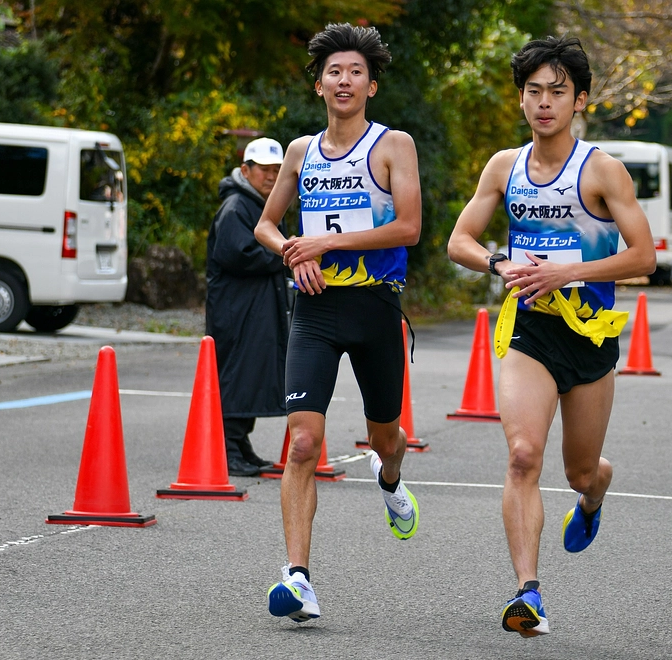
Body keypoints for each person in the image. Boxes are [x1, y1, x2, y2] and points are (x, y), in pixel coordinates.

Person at [446, 36, 655, 637]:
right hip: (529, 332)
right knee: (521, 456)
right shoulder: (503, 167)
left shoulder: (602, 171)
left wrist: (571, 271)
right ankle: (527, 594)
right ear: (521, 99)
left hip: (588, 337)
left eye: (557, 92)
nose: (544, 103)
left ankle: (594, 496)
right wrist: (499, 264)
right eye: (534, 91)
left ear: (579, 100)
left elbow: (643, 256)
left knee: (581, 471)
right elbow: (459, 240)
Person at [253, 22, 422, 622]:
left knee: (386, 440)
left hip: (376, 307)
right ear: (319, 84)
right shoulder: (300, 152)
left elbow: (409, 227)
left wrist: (327, 243)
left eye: (355, 72)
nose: (343, 81)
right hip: (316, 310)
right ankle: (298, 578)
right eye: (333, 72)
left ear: (371, 85)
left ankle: (390, 481)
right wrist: (292, 251)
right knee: (301, 440)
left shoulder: (392, 145)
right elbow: (266, 226)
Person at [206, 137, 290, 477]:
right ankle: (227, 449)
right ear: (245, 170)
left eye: (276, 171)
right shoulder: (236, 207)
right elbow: (240, 255)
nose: (270, 177)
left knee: (252, 372)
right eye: (264, 171)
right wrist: (285, 255)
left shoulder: (258, 205)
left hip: (254, 308)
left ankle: (241, 445)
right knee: (237, 374)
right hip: (236, 310)